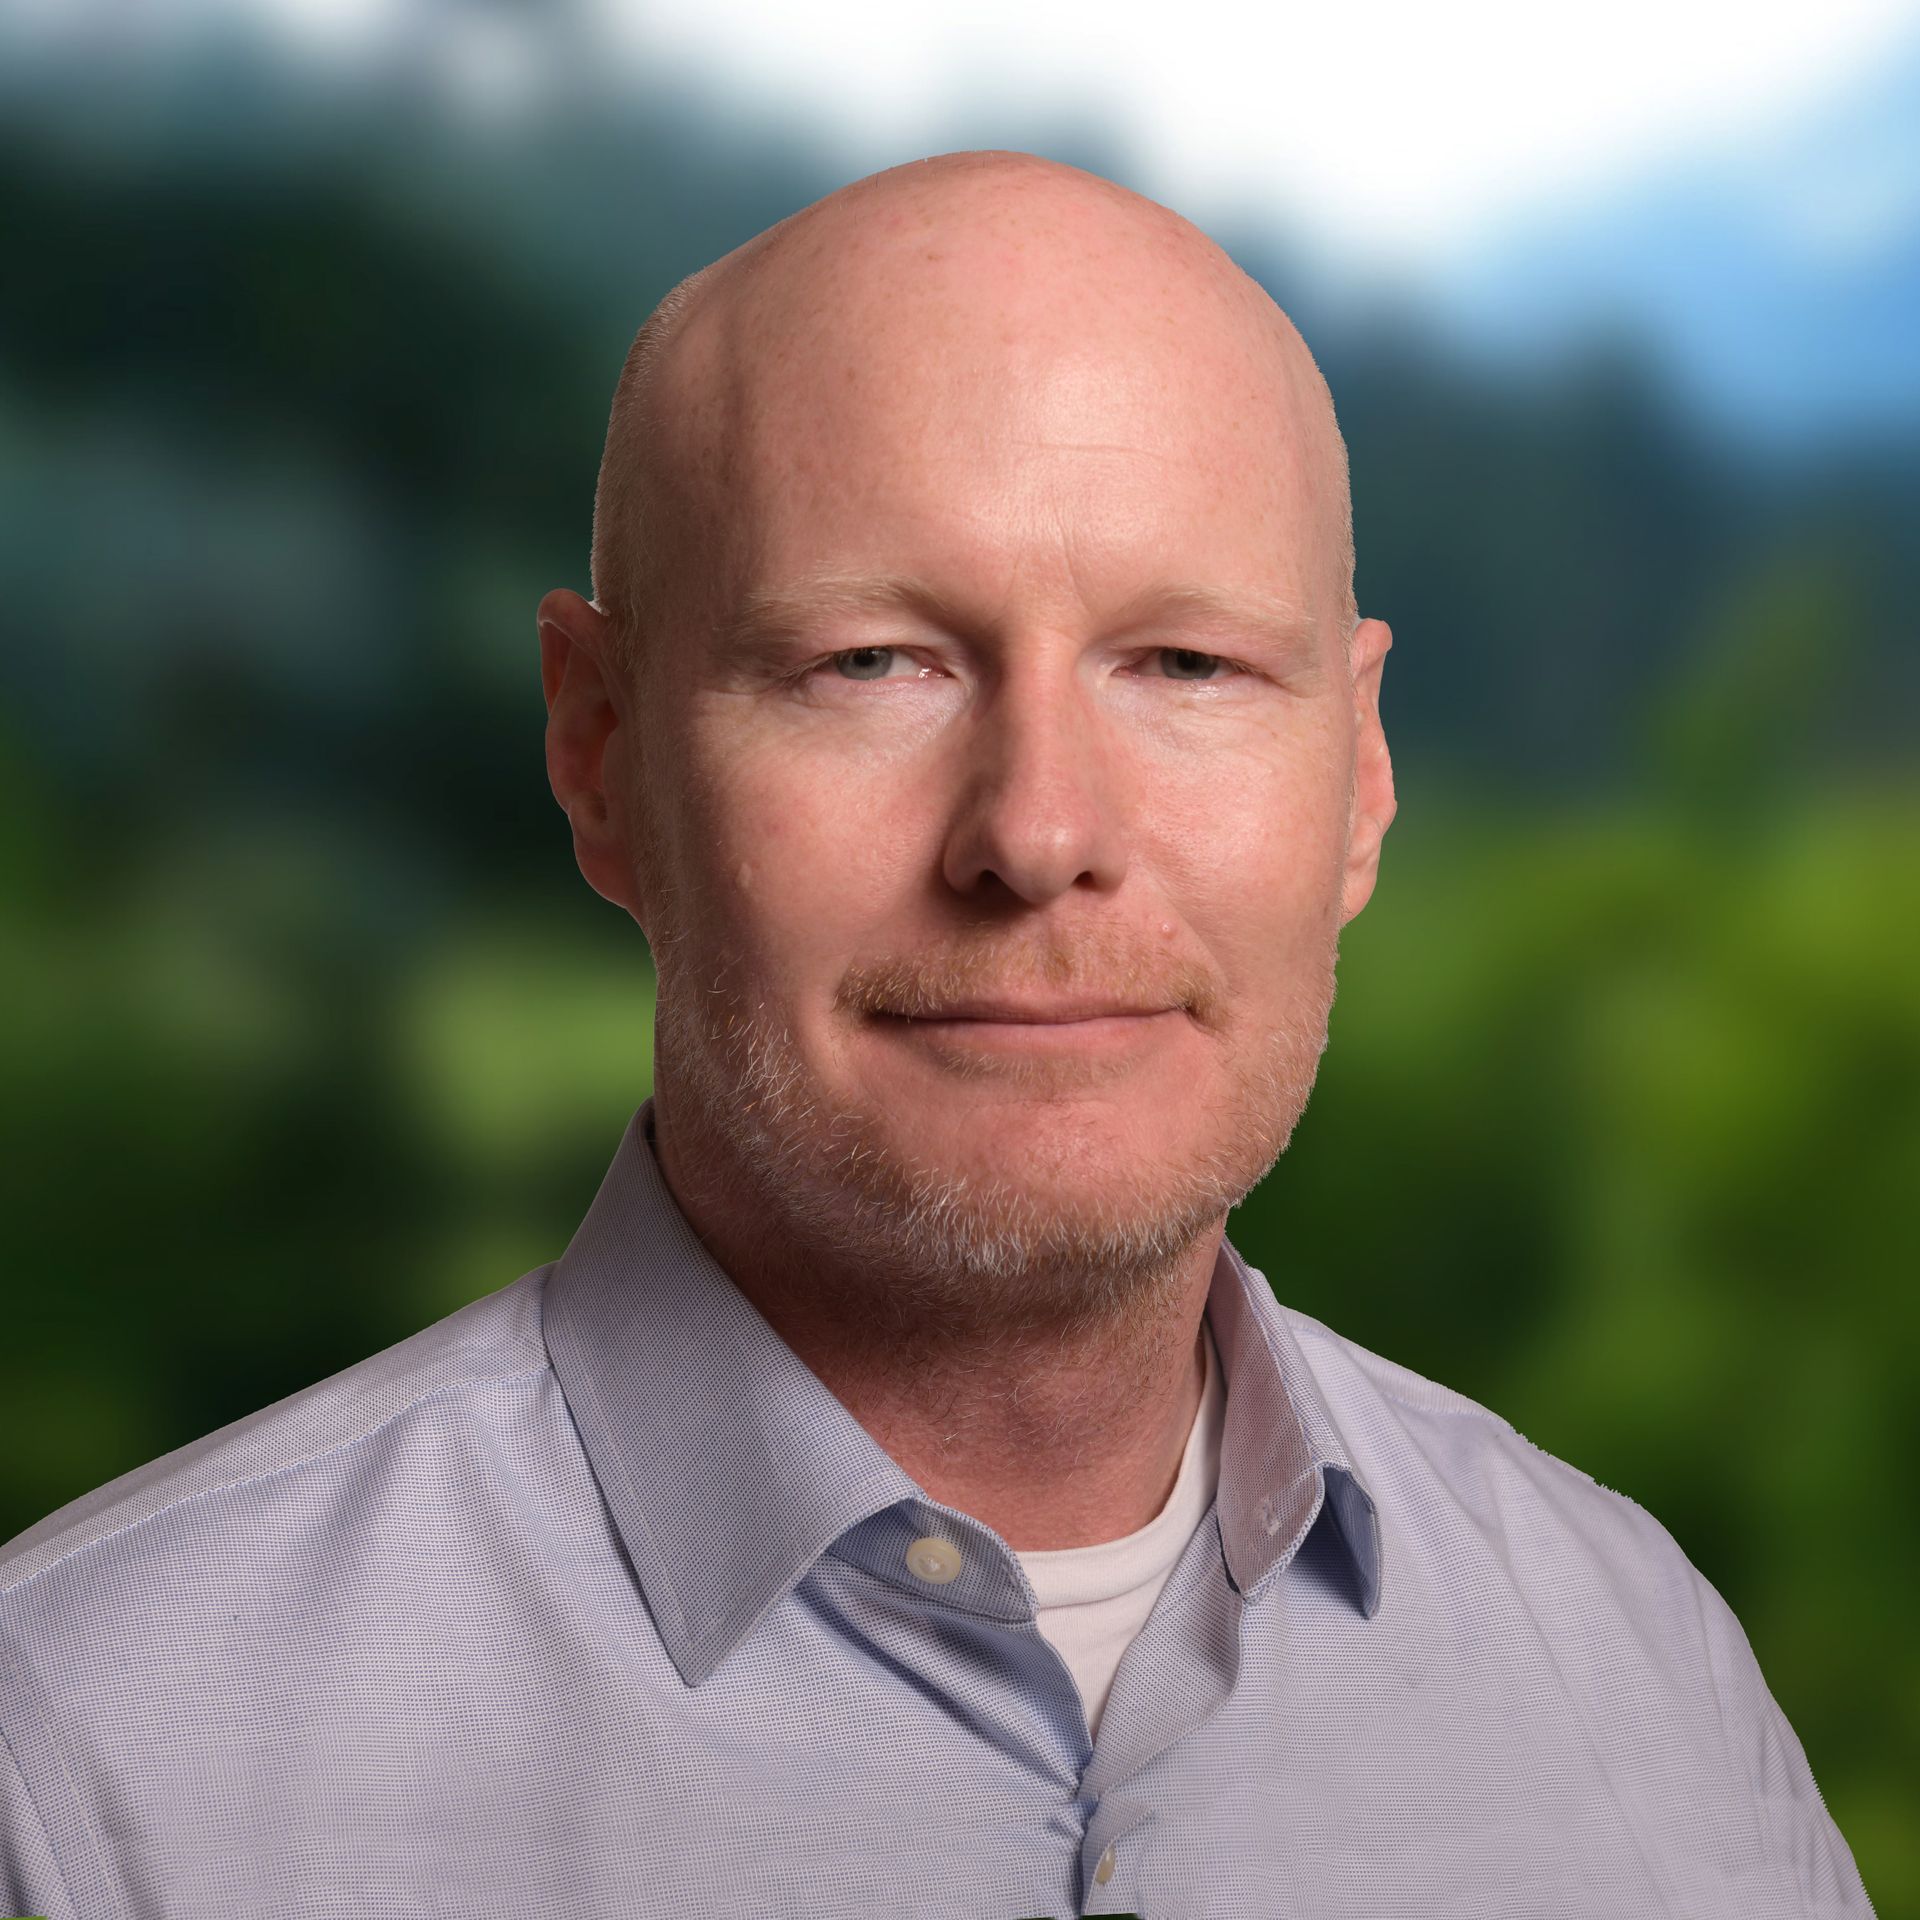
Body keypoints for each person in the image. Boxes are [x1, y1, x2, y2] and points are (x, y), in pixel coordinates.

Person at [0, 151, 1872, 1920]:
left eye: (1188, 665)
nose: (1040, 833)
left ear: (1362, 771)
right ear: (599, 753)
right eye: (871, 664)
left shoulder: (1650, 1675)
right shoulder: (80, 1769)